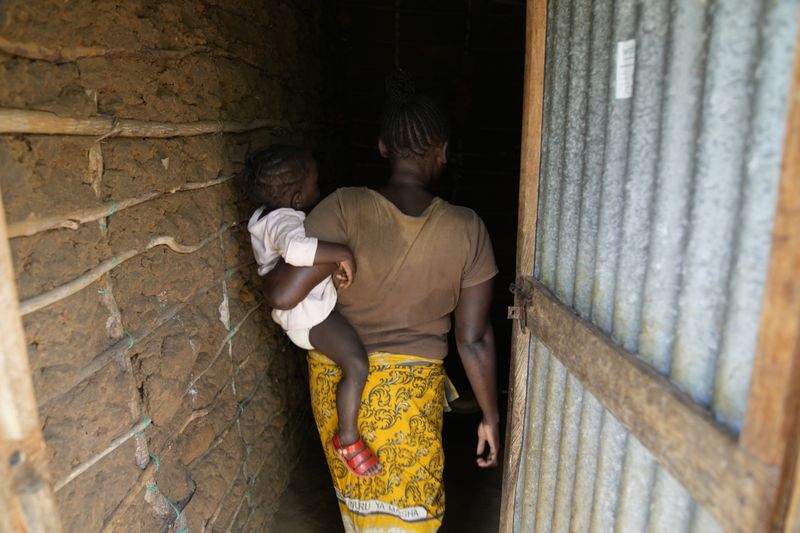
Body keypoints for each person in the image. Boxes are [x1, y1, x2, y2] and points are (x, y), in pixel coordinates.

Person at [261, 71, 500, 532]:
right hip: (410, 399)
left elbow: (285, 289)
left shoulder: (342, 207)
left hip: (339, 384)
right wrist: (490, 417)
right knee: (413, 514)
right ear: (444, 151)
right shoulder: (468, 228)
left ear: (383, 147)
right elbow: (474, 340)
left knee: (359, 509)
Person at [243, 145, 380, 477]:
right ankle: (347, 438)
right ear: (296, 198)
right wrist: (342, 253)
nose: (319, 190)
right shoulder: (285, 221)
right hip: (310, 318)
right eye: (315, 186)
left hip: (305, 314)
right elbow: (296, 249)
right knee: (357, 364)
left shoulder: (266, 217)